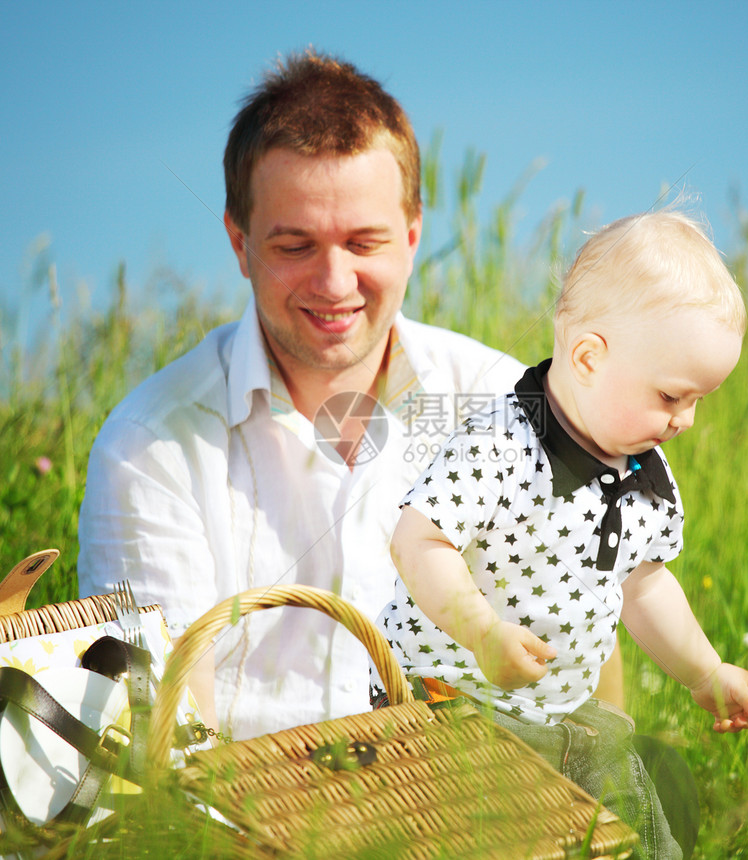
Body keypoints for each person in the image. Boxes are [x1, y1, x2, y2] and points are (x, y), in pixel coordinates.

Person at [76, 49, 525, 742]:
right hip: (240, 828)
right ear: (239, 242)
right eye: (295, 246)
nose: (334, 282)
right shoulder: (150, 446)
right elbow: (164, 729)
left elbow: (573, 658)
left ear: (411, 237)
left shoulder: (503, 402)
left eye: (363, 241)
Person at [376, 210, 748, 859]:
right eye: (672, 397)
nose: (687, 421)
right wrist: (481, 631)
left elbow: (644, 583)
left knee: (642, 835)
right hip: (453, 705)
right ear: (588, 356)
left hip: (566, 715)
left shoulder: (641, 465)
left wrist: (705, 671)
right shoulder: (502, 444)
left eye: (700, 400)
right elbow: (419, 541)